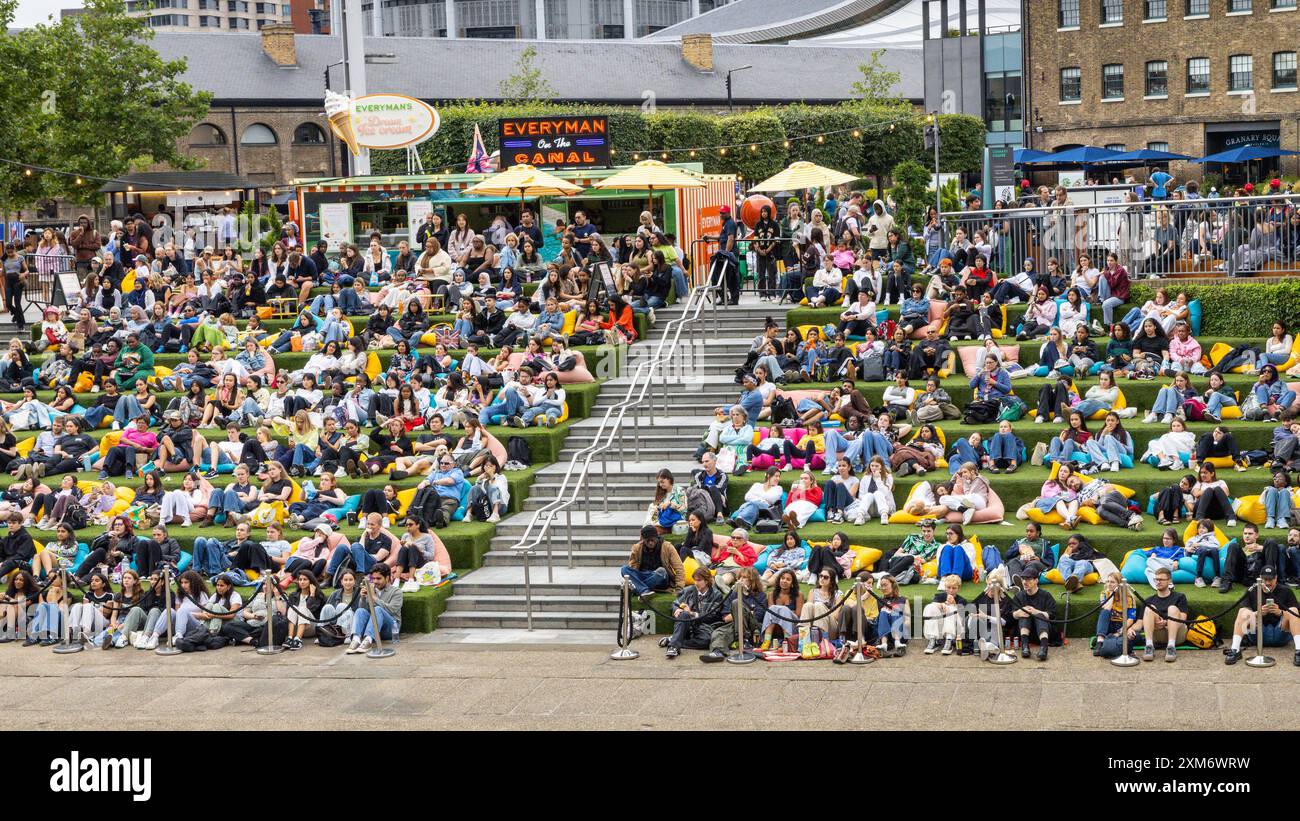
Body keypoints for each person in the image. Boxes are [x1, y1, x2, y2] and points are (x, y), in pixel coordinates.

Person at [1224, 565, 1300, 666]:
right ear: (1260, 578)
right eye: (1265, 579)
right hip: (1257, 632)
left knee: (1293, 610)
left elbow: (1296, 614)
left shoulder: (1286, 591)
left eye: (1271, 579)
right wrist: (1257, 613)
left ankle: (1299, 650)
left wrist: (1280, 612)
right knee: (1243, 611)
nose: (1268, 583)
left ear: (1276, 578)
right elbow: (1244, 613)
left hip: (1280, 632)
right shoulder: (1252, 590)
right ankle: (1235, 649)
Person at [699, 566, 766, 662]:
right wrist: (744, 613)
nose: (740, 580)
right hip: (735, 625)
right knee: (719, 633)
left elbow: (758, 616)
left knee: (736, 603)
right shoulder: (732, 594)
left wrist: (740, 612)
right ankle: (718, 652)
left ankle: (744, 640)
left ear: (752, 580)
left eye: (744, 578)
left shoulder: (760, 595)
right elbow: (725, 617)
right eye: (739, 578)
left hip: (752, 627)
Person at [662, 565, 724, 659]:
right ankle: (673, 647)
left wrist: (692, 613)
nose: (696, 583)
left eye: (699, 580)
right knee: (684, 614)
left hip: (703, 627)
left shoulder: (717, 595)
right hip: (686, 624)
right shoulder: (688, 590)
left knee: (706, 641)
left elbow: (712, 616)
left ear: (707, 581)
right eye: (695, 580)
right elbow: (675, 604)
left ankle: (673, 640)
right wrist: (677, 610)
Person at [344, 564, 403, 654]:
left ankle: (368, 640)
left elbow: (392, 611)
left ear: (387, 578)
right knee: (360, 611)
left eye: (378, 578)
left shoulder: (397, 592)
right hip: (374, 628)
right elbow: (364, 612)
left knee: (378, 609)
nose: (375, 581)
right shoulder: (371, 589)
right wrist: (363, 598)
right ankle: (356, 639)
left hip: (391, 630)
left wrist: (374, 597)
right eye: (373, 578)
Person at [620, 525, 685, 599]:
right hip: (644, 575)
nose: (650, 543)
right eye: (648, 541)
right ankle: (645, 591)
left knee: (661, 571)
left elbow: (679, 568)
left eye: (653, 540)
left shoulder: (667, 547)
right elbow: (633, 567)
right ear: (643, 540)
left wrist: (679, 588)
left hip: (661, 578)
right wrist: (634, 578)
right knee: (624, 569)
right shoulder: (637, 548)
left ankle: (639, 588)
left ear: (657, 537)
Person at [1139, 566, 1187, 663]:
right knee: (1149, 608)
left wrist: (1166, 622)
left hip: (1177, 634)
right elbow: (1140, 622)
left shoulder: (1179, 597)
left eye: (1161, 579)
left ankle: (1171, 647)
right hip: (1157, 634)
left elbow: (1183, 619)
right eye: (1156, 579)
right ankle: (1149, 646)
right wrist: (1128, 629)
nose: (1158, 582)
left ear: (1169, 581)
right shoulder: (1149, 600)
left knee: (1172, 608)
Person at [1010, 574, 1055, 661]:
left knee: (1039, 615)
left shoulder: (1046, 595)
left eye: (1028, 579)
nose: (1024, 582)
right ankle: (1025, 647)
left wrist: (1036, 612)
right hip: (1025, 634)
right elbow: (1011, 616)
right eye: (1023, 579)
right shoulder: (1019, 596)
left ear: (1036, 581)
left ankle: (1044, 649)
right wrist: (1017, 613)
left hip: (1044, 633)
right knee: (1024, 614)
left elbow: (1052, 615)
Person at [922, 574, 967, 656]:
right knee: (930, 607)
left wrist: (953, 605)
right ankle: (933, 639)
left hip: (955, 630)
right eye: (948, 587)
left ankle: (949, 641)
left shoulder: (962, 600)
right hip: (939, 627)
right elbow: (933, 605)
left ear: (958, 589)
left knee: (951, 609)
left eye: (954, 588)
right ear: (945, 587)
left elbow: (961, 619)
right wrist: (942, 604)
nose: (951, 590)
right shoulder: (940, 596)